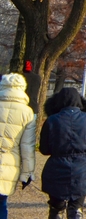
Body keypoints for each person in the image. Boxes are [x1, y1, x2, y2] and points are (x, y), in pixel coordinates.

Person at [39, 87, 86, 219]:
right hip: (84, 169)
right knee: (76, 207)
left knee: (56, 208)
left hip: (57, 169)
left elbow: (44, 149)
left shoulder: (52, 120)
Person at [0, 74, 37, 219]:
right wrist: (27, 173)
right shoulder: (27, 112)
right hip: (9, 164)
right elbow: (27, 147)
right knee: (2, 204)